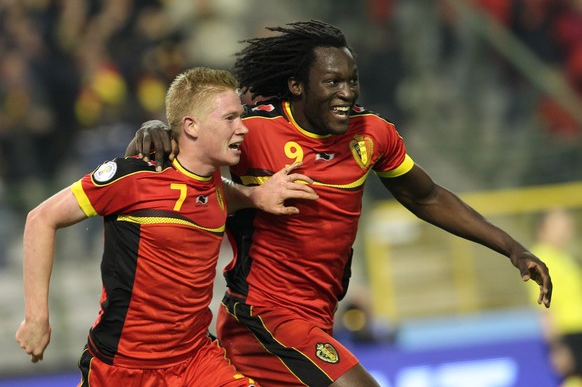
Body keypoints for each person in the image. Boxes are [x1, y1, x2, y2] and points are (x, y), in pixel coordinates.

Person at [128, 20, 553, 387]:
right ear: (297, 85)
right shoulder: (254, 131)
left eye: (352, 81)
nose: (346, 93)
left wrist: (512, 248)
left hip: (318, 320)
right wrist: (154, 128)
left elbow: (426, 195)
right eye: (332, 82)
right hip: (262, 316)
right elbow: (186, 158)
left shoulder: (372, 134)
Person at [15, 67, 319, 386]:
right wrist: (37, 317)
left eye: (240, 117)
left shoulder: (213, 181)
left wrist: (255, 196)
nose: (242, 129)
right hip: (121, 368)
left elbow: (209, 196)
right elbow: (40, 219)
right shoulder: (132, 176)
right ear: (191, 126)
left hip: (196, 362)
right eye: (230, 119)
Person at [529, 208, 582, 387]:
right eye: (559, 222)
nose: (567, 225)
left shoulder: (563, 256)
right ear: (543, 228)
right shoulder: (540, 259)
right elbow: (544, 308)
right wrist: (557, 346)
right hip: (567, 333)